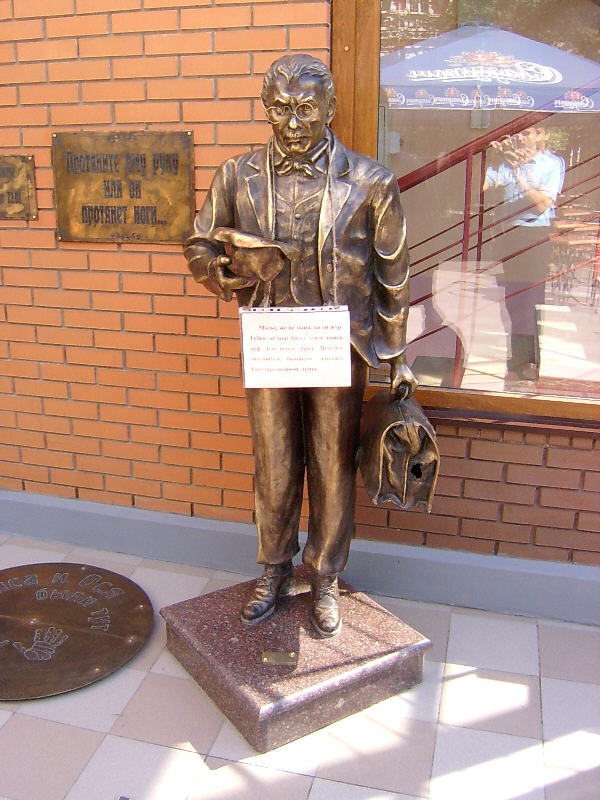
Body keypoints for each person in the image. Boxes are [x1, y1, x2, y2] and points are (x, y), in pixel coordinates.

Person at [183, 54, 416, 637]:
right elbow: (198, 244)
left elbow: (392, 272)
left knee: (333, 463)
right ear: (266, 109)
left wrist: (394, 354)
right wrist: (226, 271)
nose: (292, 123)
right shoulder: (237, 175)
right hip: (271, 339)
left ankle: (327, 573)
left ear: (329, 109)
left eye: (306, 109)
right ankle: (275, 566)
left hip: (338, 343)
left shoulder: (371, 182)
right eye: (281, 109)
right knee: (275, 460)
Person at [483, 126, 563, 387]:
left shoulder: (551, 164)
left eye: (527, 133)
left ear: (541, 135)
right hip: (509, 234)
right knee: (511, 301)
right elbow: (483, 185)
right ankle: (515, 358)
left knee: (532, 300)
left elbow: (541, 204)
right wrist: (492, 158)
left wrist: (518, 174)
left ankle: (530, 361)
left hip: (534, 235)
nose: (521, 138)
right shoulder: (507, 161)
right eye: (519, 133)